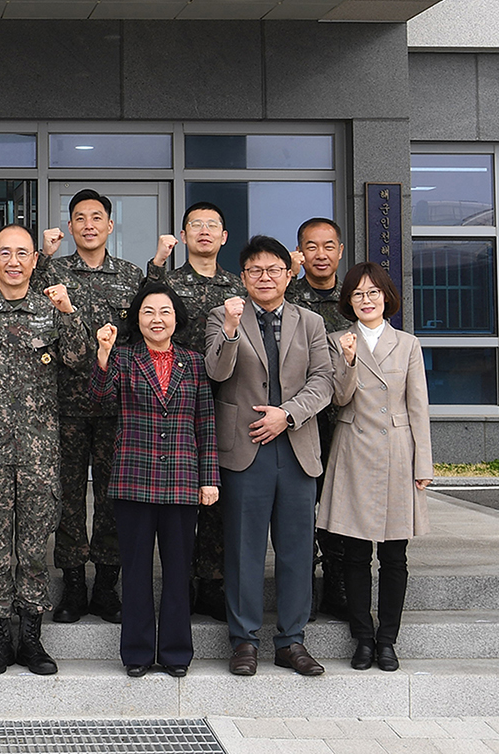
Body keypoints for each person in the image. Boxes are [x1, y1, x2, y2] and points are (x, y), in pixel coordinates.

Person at [0, 224, 92, 676]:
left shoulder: (53, 311)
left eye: (22, 253)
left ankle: (31, 637)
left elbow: (79, 359)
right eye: (4, 252)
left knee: (31, 548)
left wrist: (68, 312)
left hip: (38, 453)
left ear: (34, 260)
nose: (13, 261)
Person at [208, 235, 341, 676]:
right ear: (242, 277)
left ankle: (291, 641)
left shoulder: (310, 322)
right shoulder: (224, 315)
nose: (264, 278)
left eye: (273, 270)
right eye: (254, 271)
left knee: (297, 550)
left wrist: (288, 414)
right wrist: (229, 329)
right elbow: (216, 371)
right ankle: (243, 641)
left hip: (296, 446)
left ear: (290, 274)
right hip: (245, 449)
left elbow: (324, 380)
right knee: (244, 550)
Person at [42, 190, 153, 624]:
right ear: (70, 228)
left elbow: (143, 336)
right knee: (67, 497)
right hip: (64, 405)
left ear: (110, 226)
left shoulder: (129, 276)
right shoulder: (52, 271)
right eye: (80, 218)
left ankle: (107, 585)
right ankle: (72, 585)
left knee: (113, 496)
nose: (89, 225)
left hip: (116, 407)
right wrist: (41, 255)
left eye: (97, 218)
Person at [88, 283, 209, 677]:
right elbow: (100, 400)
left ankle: (176, 653)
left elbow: (205, 425)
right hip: (133, 478)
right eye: (148, 312)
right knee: (136, 570)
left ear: (177, 319)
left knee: (178, 570)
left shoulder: (195, 362)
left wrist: (209, 480)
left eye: (165, 312)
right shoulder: (123, 358)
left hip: (181, 481)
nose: (157, 319)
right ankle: (137, 653)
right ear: (136, 319)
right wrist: (103, 357)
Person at [318, 262, 434, 671]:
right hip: (352, 450)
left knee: (394, 555)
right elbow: (339, 399)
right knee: (353, 553)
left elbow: (418, 406)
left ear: (387, 297)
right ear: (348, 301)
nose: (366, 300)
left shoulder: (408, 345)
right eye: (357, 294)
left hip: (397, 452)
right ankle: (362, 638)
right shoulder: (336, 341)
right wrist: (348, 361)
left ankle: (388, 640)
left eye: (373, 293)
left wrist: (425, 463)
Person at [158, 203, 245, 627]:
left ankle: (211, 583)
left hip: (227, 403)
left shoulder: (239, 287)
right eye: (196, 225)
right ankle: (180, 582)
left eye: (213, 225)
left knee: (217, 496)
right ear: (184, 234)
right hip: (173, 405)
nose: (205, 232)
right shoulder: (168, 285)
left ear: (224, 237)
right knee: (177, 498)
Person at [287, 218, 353, 330]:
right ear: (299, 252)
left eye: (329, 247)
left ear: (340, 251)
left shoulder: (352, 298)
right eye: (312, 248)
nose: (321, 255)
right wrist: (289, 274)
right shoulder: (285, 295)